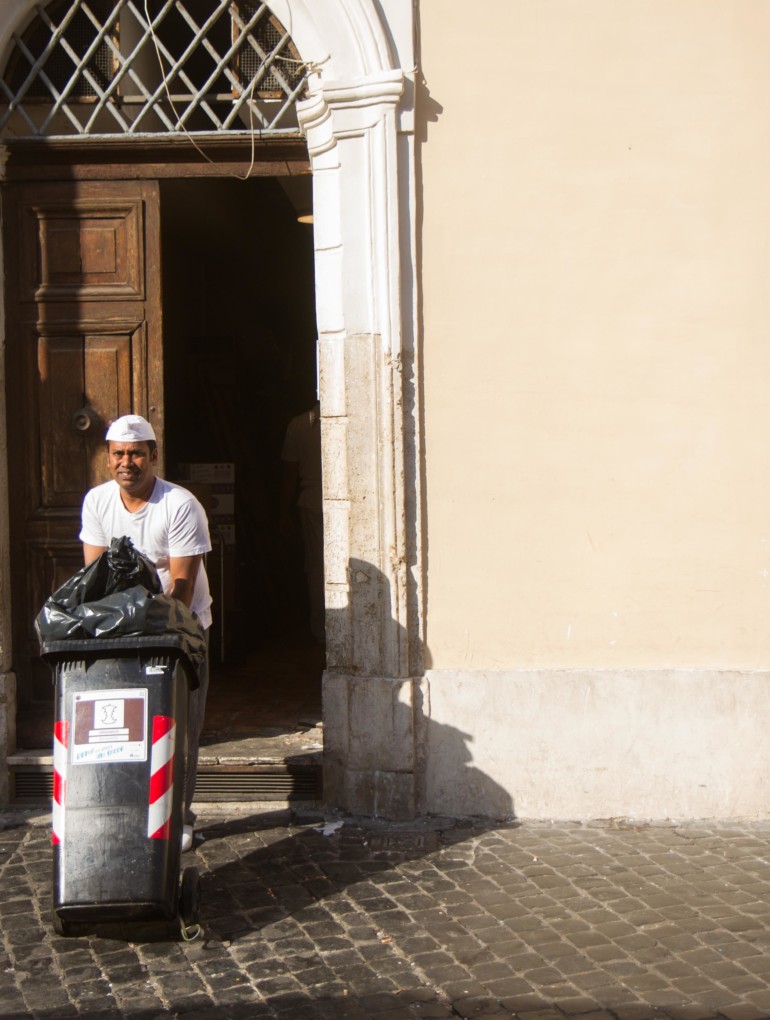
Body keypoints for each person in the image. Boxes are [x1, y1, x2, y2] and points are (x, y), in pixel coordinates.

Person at [79, 414, 212, 853]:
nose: (126, 462)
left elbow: (182, 587)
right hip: (122, 629)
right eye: (118, 453)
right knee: (127, 726)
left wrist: (151, 628)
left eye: (136, 453)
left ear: (153, 456)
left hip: (180, 628)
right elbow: (96, 576)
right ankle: (129, 810)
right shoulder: (97, 502)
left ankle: (180, 817)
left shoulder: (180, 505)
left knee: (180, 725)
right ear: (108, 458)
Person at [279, 399, 325, 643]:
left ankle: (321, 629)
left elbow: (289, 476)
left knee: (317, 566)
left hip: (312, 502)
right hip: (319, 500)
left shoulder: (298, 425)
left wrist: (284, 512)